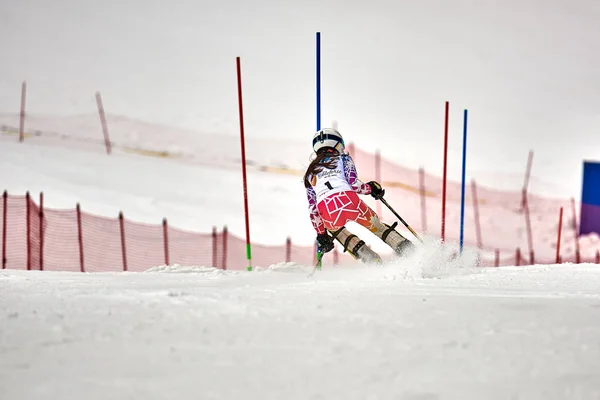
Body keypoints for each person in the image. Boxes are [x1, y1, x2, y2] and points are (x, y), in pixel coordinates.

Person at [303, 128, 415, 264]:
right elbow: (354, 184)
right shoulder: (343, 158)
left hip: (327, 211)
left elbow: (313, 209)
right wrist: (371, 189)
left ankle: (372, 261)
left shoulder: (309, 173)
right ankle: (411, 254)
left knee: (338, 232)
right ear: (338, 144)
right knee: (378, 227)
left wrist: (321, 234)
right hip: (349, 201)